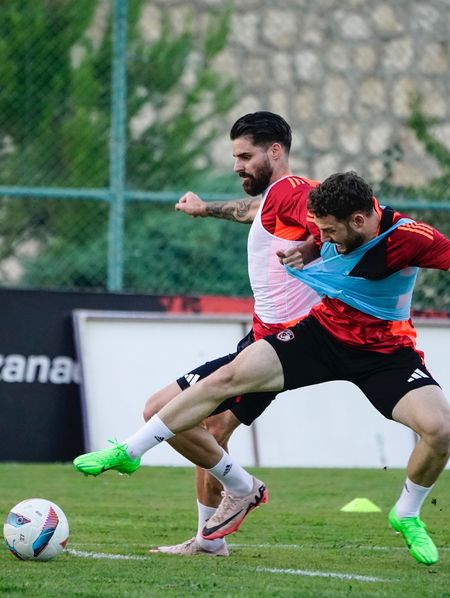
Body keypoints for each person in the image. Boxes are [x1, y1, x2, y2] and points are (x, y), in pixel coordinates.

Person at [74, 171, 450, 566]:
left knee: (440, 428)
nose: (322, 238)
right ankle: (131, 451)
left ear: (359, 221)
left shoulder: (408, 237)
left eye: (328, 232)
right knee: (226, 378)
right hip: (322, 335)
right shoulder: (329, 224)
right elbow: (300, 232)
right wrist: (307, 248)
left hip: (385, 354)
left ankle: (407, 513)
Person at [74, 111, 322, 557]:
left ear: (275, 151)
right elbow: (251, 211)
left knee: (165, 411)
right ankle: (211, 540)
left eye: (245, 156)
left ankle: (242, 488)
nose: (236, 166)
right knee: (210, 431)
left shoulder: (294, 190)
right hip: (263, 338)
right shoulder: (274, 199)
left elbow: (327, 220)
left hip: (281, 347)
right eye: (234, 157)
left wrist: (310, 246)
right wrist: (203, 208)